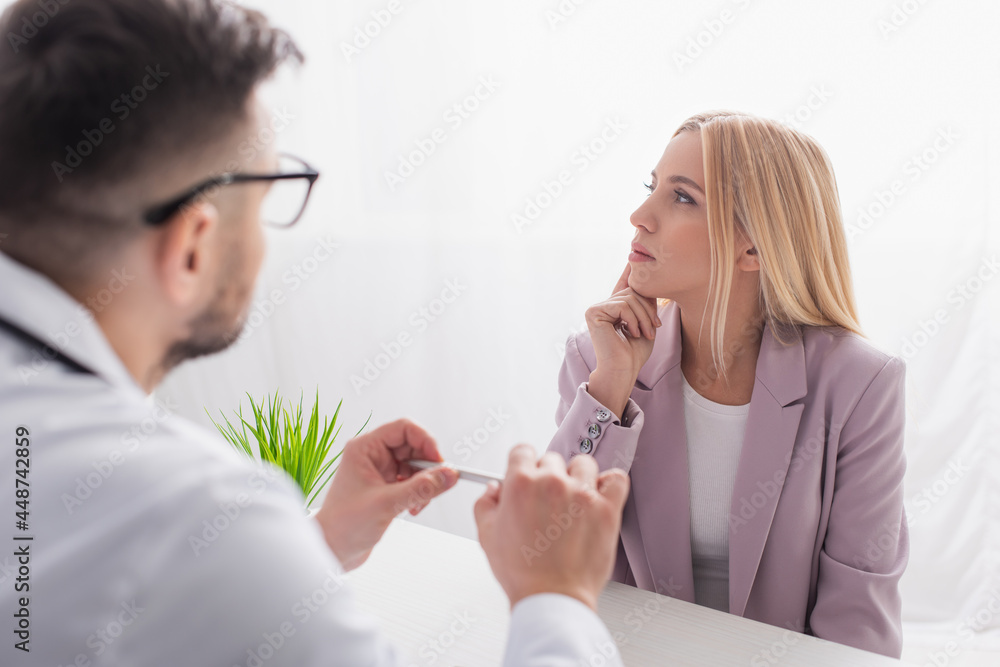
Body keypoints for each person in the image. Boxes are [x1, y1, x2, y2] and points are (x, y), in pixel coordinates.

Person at [0, 1, 630, 665]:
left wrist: (310, 547)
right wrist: (555, 597)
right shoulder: (196, 514)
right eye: (271, 194)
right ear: (192, 244)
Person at [547, 111, 908, 658]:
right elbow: (550, 556)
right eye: (651, 188)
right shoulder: (599, 360)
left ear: (755, 247)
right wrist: (612, 385)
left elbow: (857, 621)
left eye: (682, 198)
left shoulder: (860, 385)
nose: (640, 216)